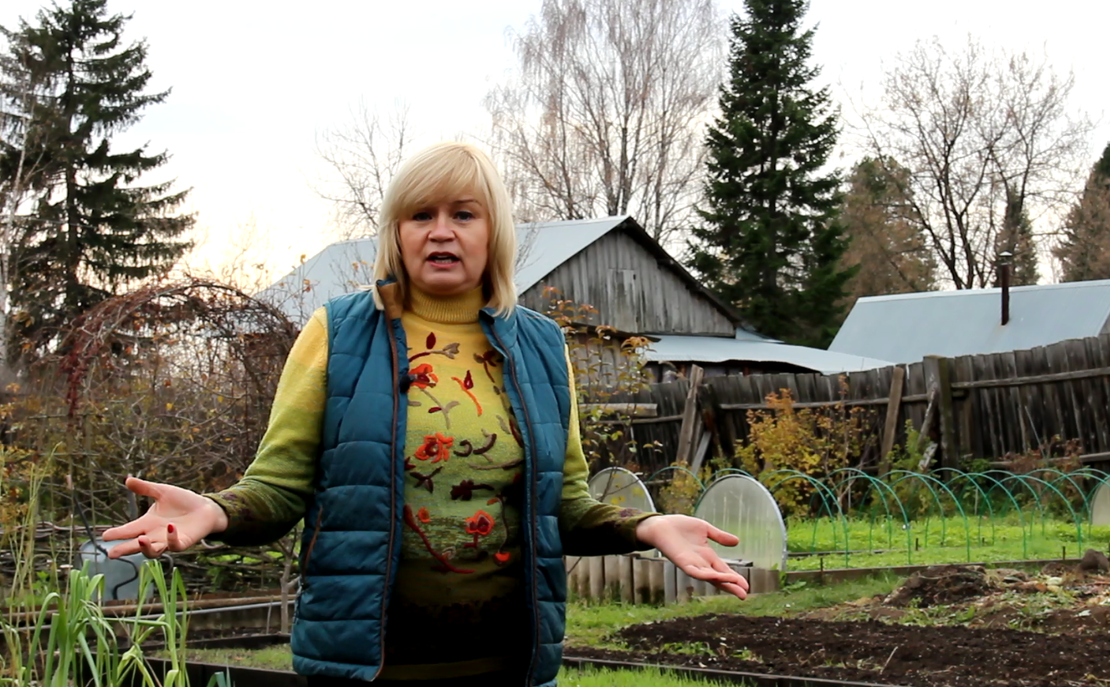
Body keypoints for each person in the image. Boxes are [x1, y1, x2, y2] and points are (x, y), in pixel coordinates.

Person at [103, 141, 749, 687]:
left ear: (491, 231)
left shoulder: (542, 347)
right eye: (421, 214)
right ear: (398, 233)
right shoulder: (339, 332)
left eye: (463, 213)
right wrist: (215, 511)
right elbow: (280, 482)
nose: (441, 230)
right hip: (369, 662)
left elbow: (564, 504)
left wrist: (650, 526)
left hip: (504, 659)